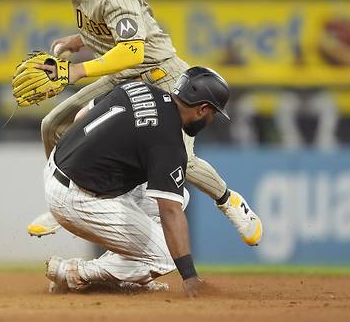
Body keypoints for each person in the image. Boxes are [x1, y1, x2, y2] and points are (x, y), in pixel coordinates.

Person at [27, 0, 259, 246]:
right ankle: (65, 199)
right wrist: (79, 41)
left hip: (160, 76)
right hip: (124, 76)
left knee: (182, 159)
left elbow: (133, 51)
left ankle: (230, 201)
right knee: (53, 125)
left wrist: (76, 70)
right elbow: (111, 30)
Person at [43, 67, 262, 296]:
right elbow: (170, 212)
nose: (211, 119)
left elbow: (81, 116)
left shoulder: (138, 88)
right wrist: (189, 276)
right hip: (76, 198)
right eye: (213, 113)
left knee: (180, 196)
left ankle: (122, 273)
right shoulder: (168, 143)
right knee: (165, 258)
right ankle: (73, 272)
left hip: (57, 167)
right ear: (202, 108)